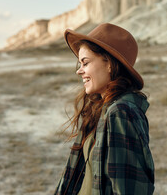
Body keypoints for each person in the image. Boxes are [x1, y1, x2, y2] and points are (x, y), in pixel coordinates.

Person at [54, 23, 155, 195]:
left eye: (85, 63)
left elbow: (129, 190)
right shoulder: (100, 108)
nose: (79, 71)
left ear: (109, 64)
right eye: (79, 64)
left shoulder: (121, 113)